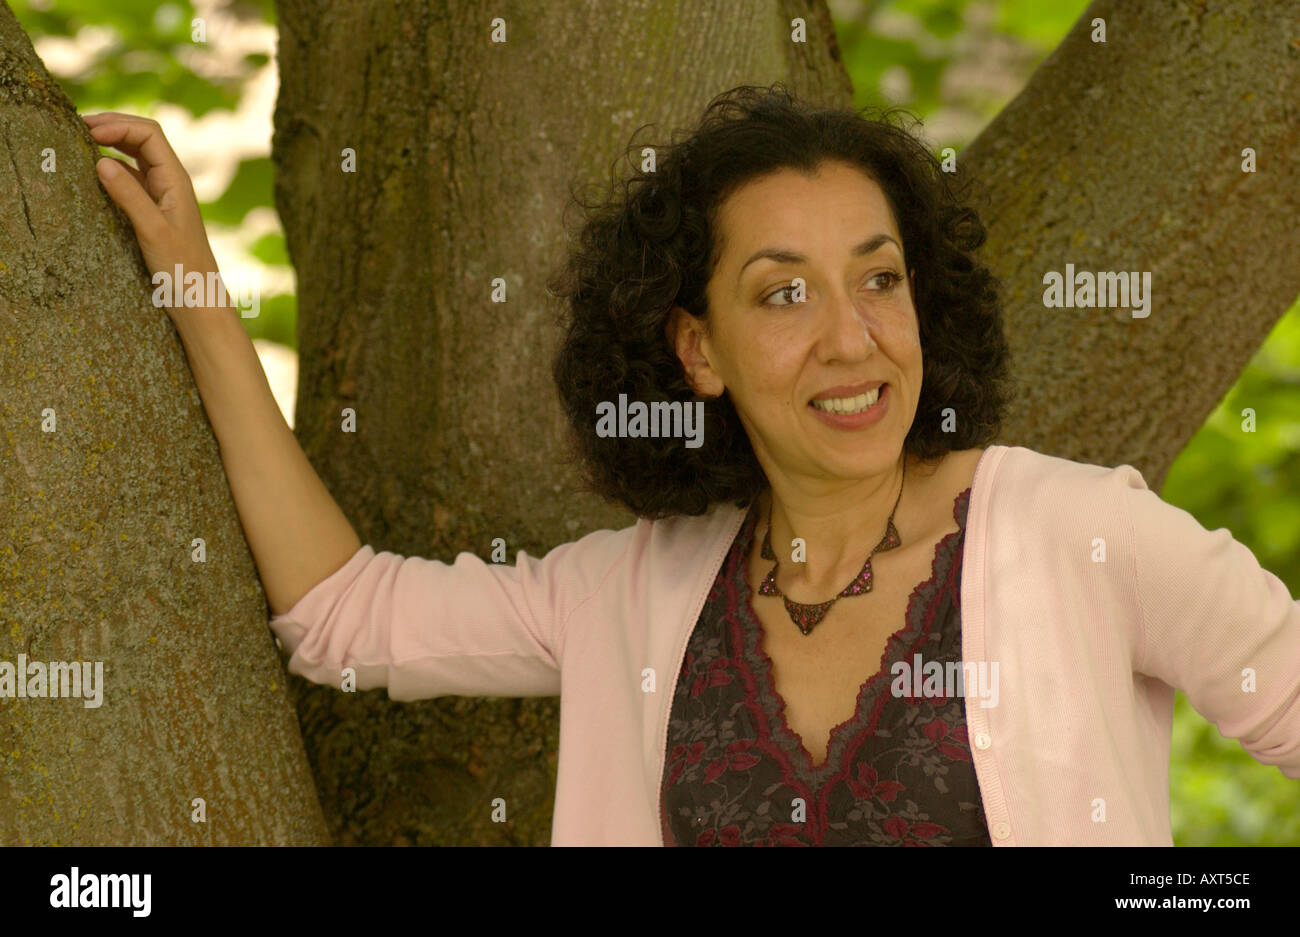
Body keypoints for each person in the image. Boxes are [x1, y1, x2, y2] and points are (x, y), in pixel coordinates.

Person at [87, 83, 1300, 846]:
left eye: (880, 278)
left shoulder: (1082, 533)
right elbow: (345, 615)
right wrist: (194, 282)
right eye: (784, 293)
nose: (851, 336)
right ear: (697, 349)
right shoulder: (636, 593)